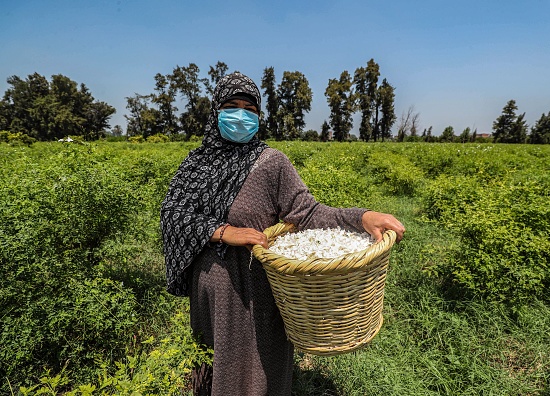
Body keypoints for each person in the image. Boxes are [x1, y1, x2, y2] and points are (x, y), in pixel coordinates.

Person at [160, 71, 406, 396]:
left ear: (259, 116)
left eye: (250, 109)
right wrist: (223, 231)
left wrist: (362, 218)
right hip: (210, 296)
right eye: (231, 106)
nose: (241, 115)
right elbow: (173, 215)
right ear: (215, 111)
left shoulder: (270, 163)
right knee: (214, 368)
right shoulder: (196, 163)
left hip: (255, 292)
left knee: (261, 371)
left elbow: (309, 213)